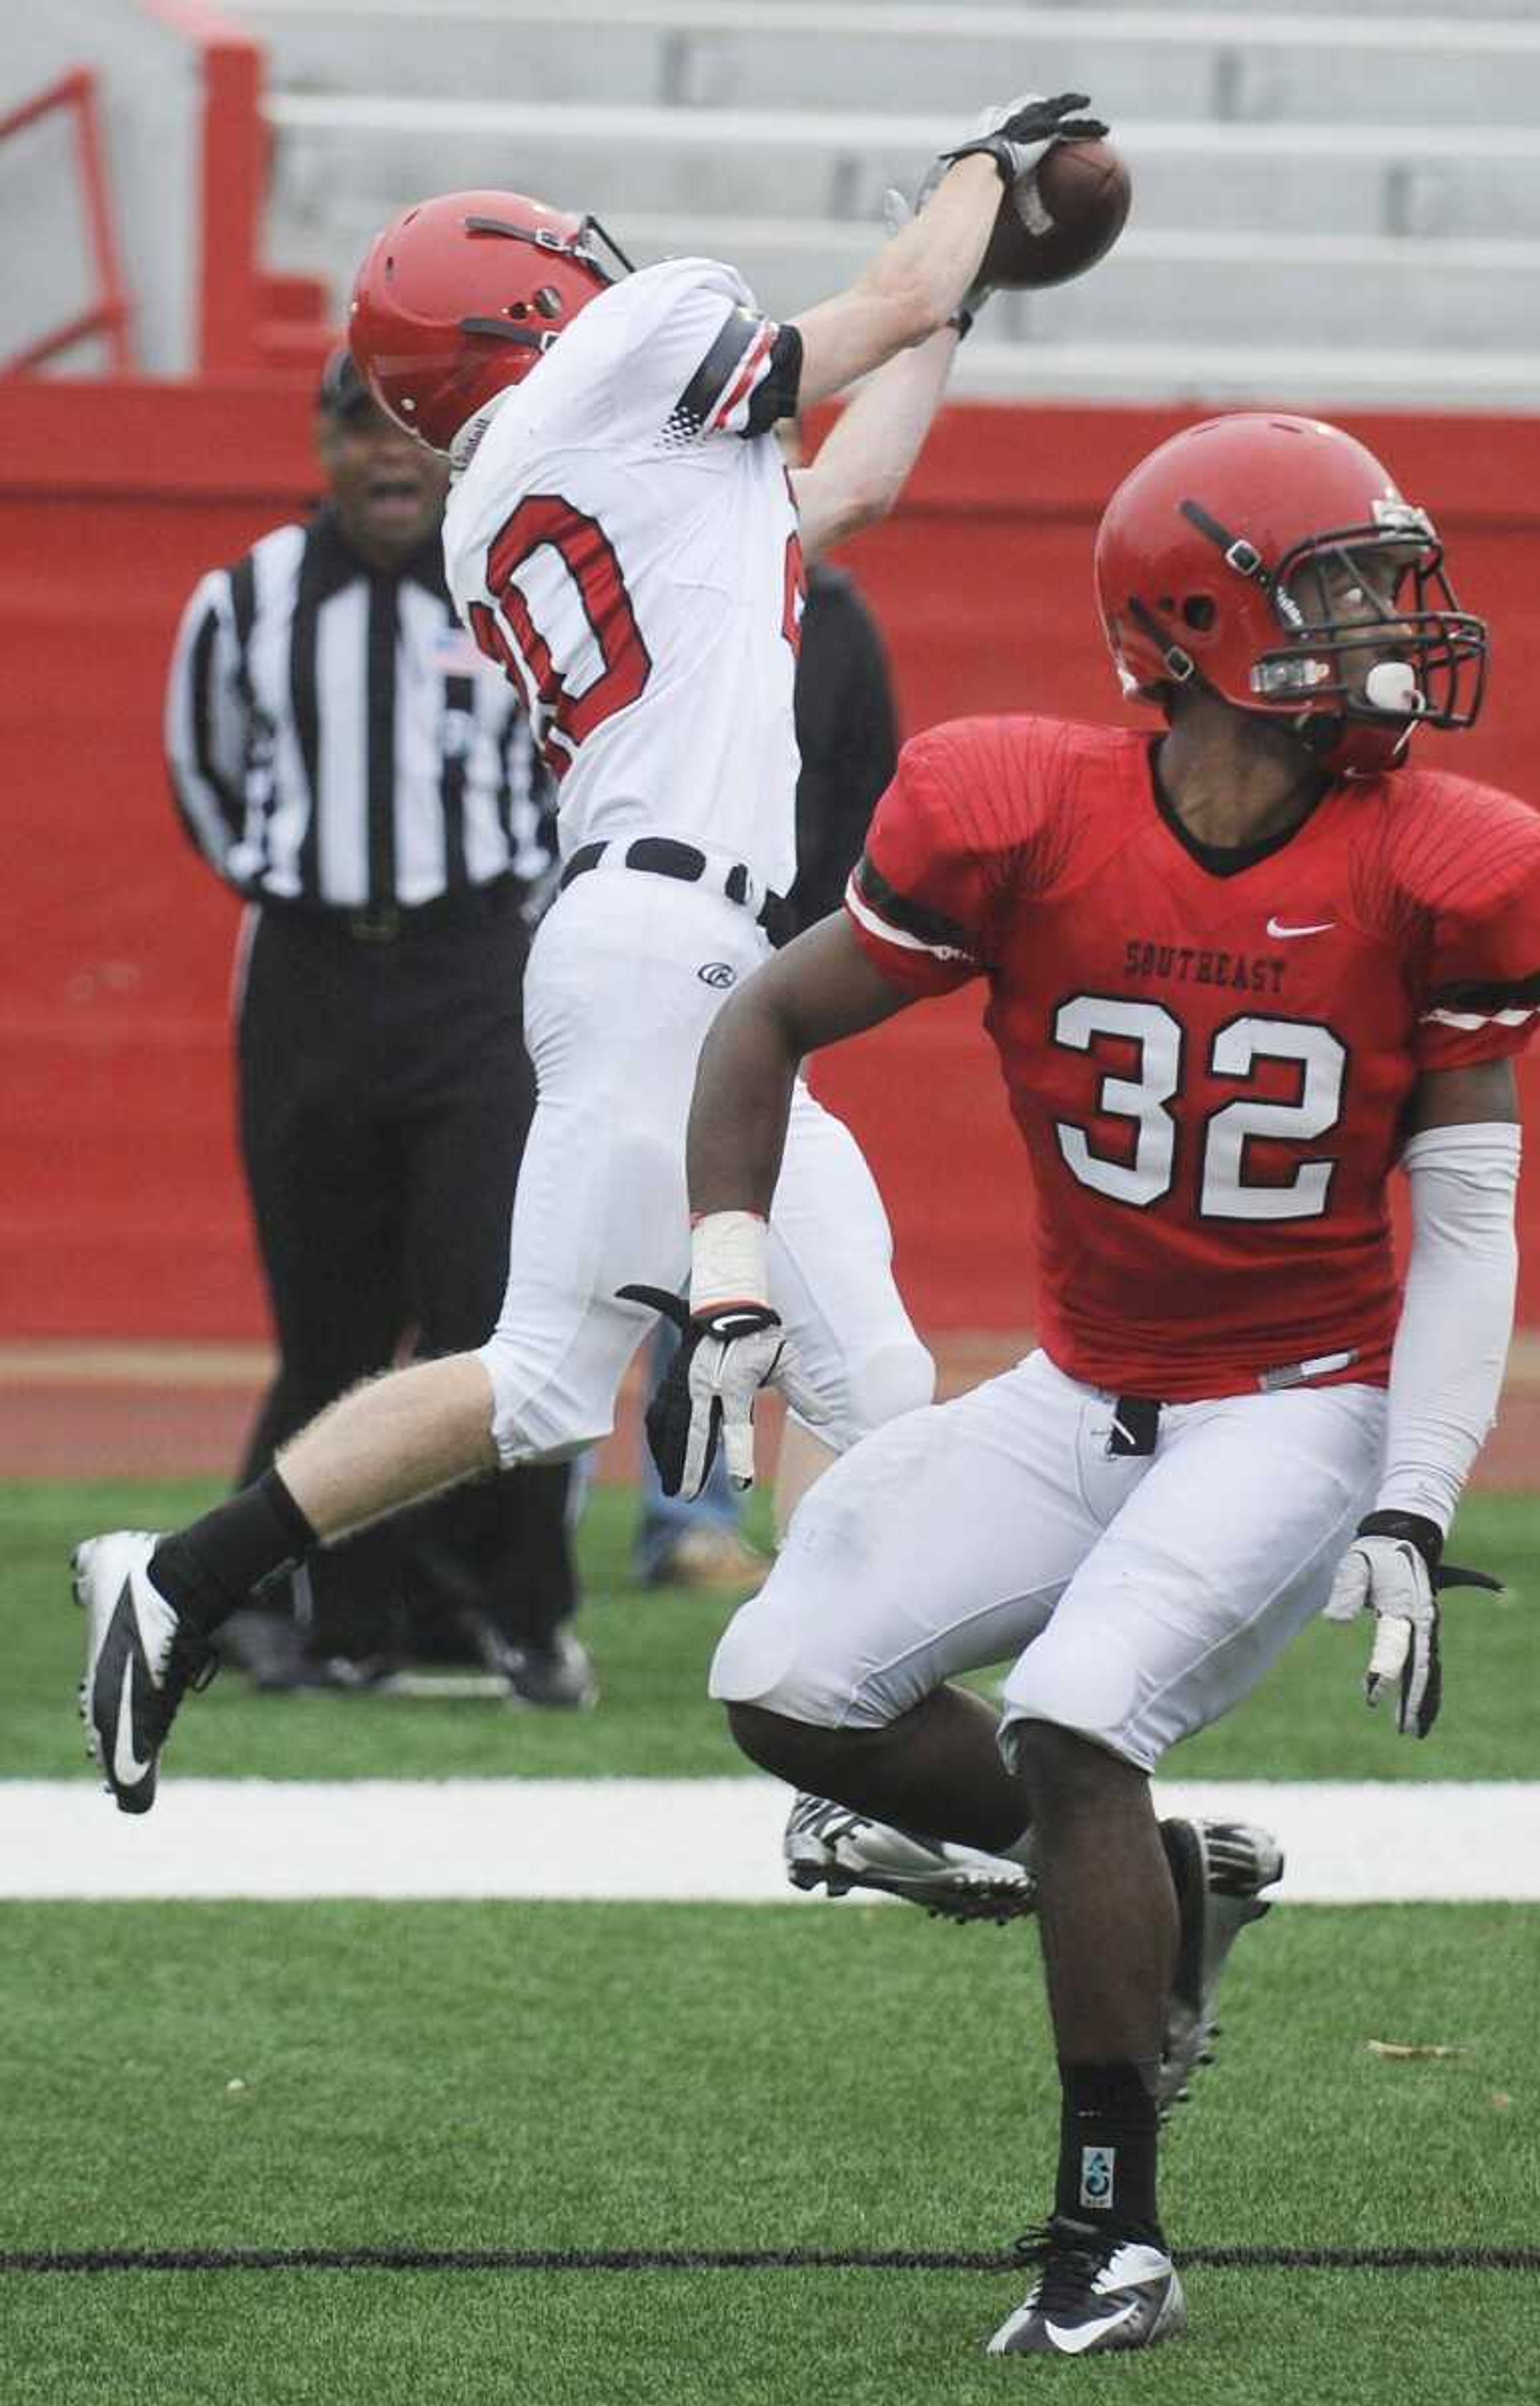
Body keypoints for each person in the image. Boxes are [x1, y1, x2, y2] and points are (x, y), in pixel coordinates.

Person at [638, 409, 1540, 2356]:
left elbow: (1466, 1220)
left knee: (1072, 1717)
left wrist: (1418, 1484)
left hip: (1303, 1392)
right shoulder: (1017, 807)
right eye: (1342, 592)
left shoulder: (1452, 864)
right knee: (779, 1686)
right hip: (1088, 1385)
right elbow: (765, 1018)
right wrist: (729, 1282)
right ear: (1197, 617)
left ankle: (1110, 2232)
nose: (1393, 628)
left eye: (1392, 586)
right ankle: (1163, 1892)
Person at [71, 94, 1111, 1813]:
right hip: (673, 947)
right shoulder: (631, 347)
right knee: (623, 1376)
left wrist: (972, 269)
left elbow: (855, 474)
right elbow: (879, 314)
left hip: (642, 938)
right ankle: (187, 1584)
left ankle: (185, 1580)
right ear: (523, 301)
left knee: (793, 1374)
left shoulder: (521, 504)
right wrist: (973, 188)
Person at [163, 345, 592, 1708]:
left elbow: (573, 763)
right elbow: (208, 778)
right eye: (360, 431)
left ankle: (513, 1615)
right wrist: (316, 887)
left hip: (477, 972)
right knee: (330, 1322)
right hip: (309, 981)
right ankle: (347, 1623)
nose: (388, 459)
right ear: (321, 445)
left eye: (413, 434)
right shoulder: (244, 600)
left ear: (456, 452)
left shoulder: (512, 592)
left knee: (489, 1309)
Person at [635, 422, 903, 1592]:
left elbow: (867, 797)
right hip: (628, 953)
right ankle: (506, 1561)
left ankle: (689, 1518)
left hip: (760, 964)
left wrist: (802, 962)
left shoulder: (834, 621)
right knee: (567, 1265)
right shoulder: (648, 586)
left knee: (727, 1237)